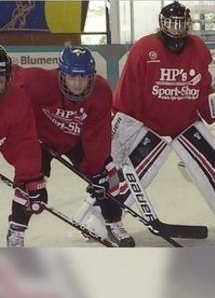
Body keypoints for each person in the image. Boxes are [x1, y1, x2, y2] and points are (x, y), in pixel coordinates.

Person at [111, 1, 215, 233]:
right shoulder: (144, 48)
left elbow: (201, 91)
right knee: (125, 172)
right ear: (161, 23)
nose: (176, 29)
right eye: (171, 23)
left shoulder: (198, 48)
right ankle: (103, 215)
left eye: (180, 23)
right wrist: (121, 133)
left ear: (188, 24)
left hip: (184, 122)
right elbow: (128, 93)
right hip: (148, 124)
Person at [13, 45, 134, 247]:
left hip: (75, 140)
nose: (78, 84)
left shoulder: (100, 92)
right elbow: (10, 77)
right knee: (28, 183)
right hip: (40, 140)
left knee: (108, 175)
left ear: (92, 76)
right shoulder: (39, 82)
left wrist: (96, 172)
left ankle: (114, 222)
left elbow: (98, 135)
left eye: (83, 77)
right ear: (61, 74)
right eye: (72, 77)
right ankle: (16, 230)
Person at [0, 46, 49, 247]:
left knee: (29, 184)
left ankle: (17, 230)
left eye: (0, 77)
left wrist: (31, 178)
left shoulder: (17, 100)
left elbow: (23, 145)